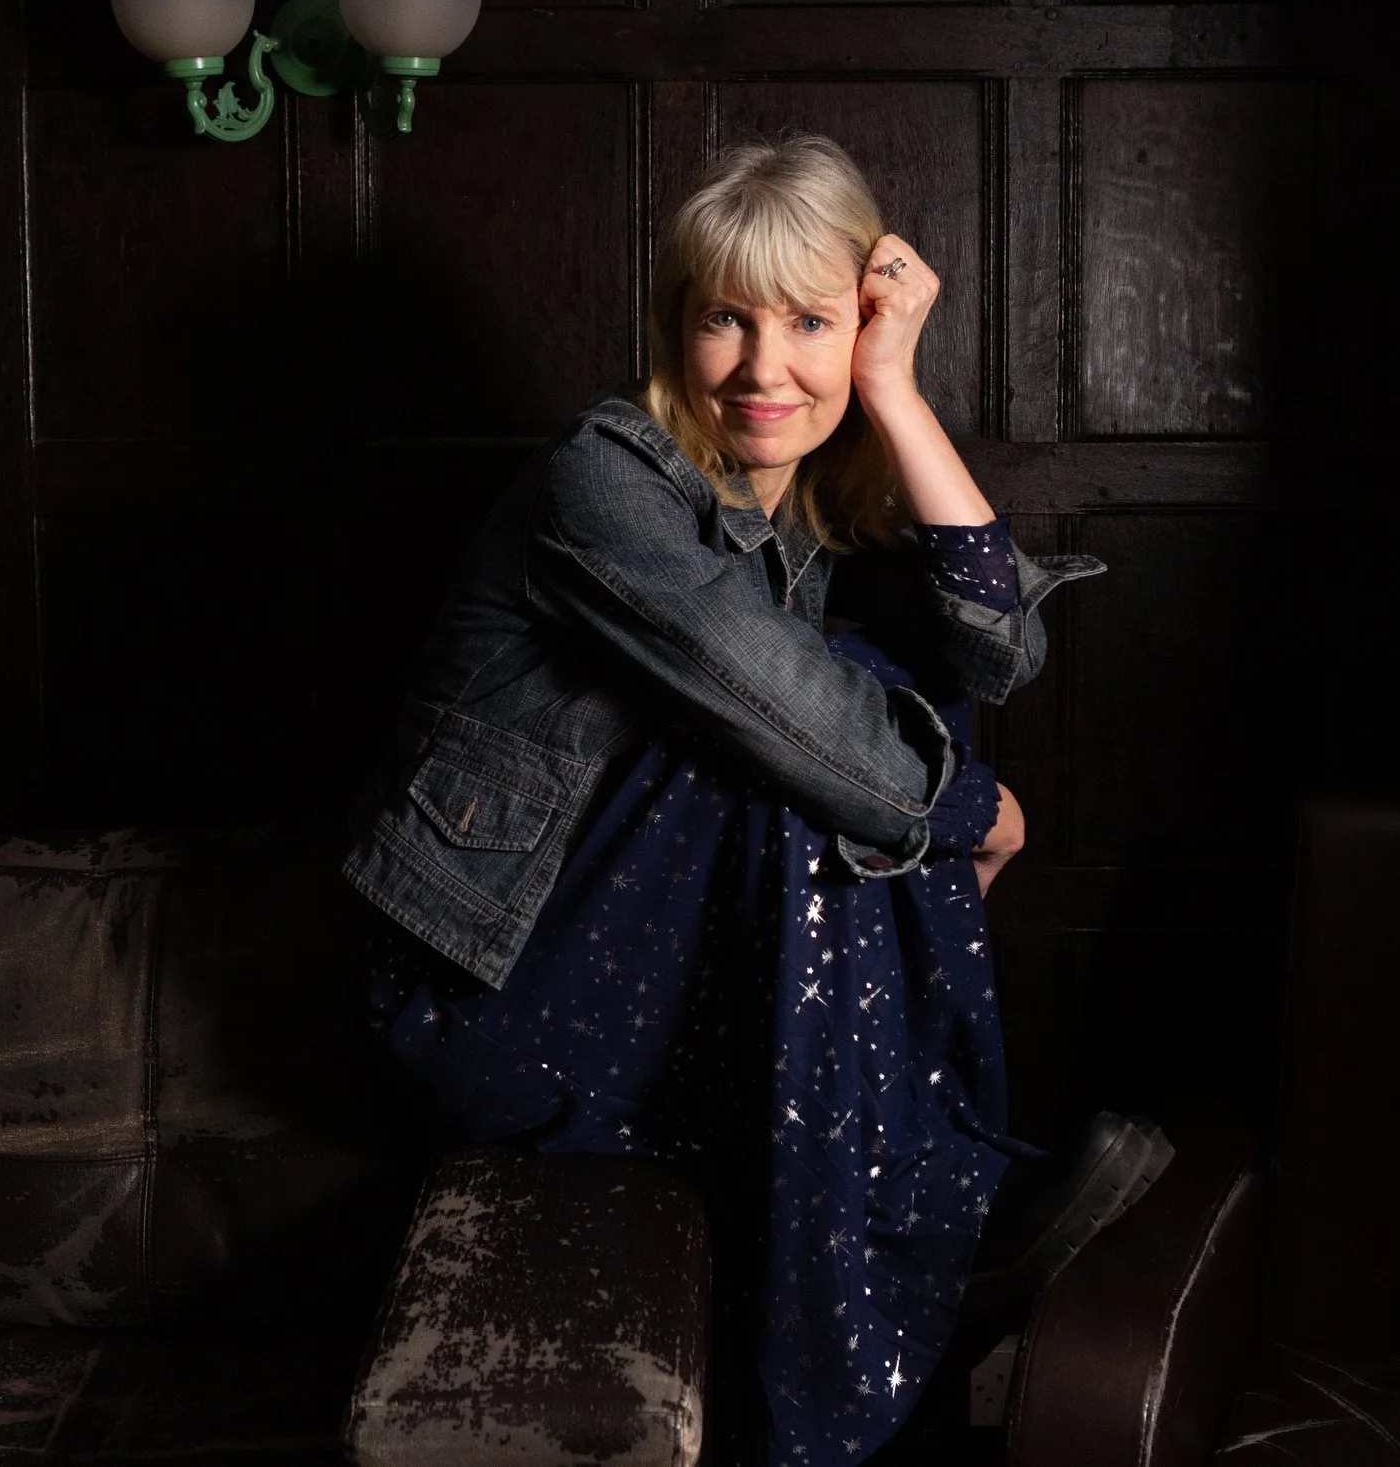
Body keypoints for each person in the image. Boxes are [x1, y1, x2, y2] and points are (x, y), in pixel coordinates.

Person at [344, 135, 1169, 1465]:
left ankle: (932, 1189)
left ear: (861, 326)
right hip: (483, 996)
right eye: (727, 316)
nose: (764, 367)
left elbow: (1001, 650)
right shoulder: (600, 479)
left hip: (657, 987)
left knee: (873, 691)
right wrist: (977, 822)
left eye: (811, 322)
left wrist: (897, 393)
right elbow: (815, 742)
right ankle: (949, 1202)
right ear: (679, 323)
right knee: (799, 744)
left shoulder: (808, 498)